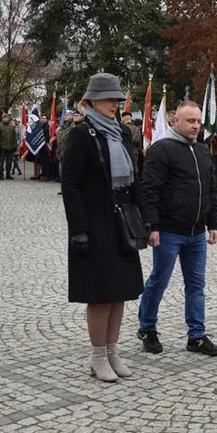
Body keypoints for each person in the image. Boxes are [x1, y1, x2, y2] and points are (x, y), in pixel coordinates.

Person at [62, 73, 145, 383]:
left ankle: (111, 351)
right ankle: (97, 356)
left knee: (119, 291)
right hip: (94, 224)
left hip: (121, 222)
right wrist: (79, 229)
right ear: (91, 101)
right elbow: (70, 185)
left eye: (117, 99)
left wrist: (146, 220)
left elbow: (134, 178)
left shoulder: (122, 134)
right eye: (109, 99)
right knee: (99, 294)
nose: (115, 104)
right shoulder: (81, 135)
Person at [136, 100, 217, 357]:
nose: (195, 126)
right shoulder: (162, 149)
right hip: (169, 232)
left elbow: (210, 189)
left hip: (196, 232)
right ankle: (147, 328)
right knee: (159, 281)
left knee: (196, 284)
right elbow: (149, 190)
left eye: (198, 121)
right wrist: (152, 226)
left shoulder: (203, 151)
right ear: (176, 120)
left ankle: (196, 336)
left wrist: (213, 222)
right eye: (190, 121)